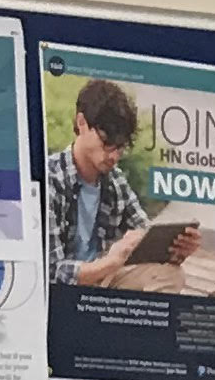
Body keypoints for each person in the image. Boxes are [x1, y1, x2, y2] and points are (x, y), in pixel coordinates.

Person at [44, 77, 154, 288]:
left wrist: (172, 247)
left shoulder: (115, 181)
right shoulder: (51, 177)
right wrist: (110, 262)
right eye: (106, 143)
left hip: (103, 285)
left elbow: (143, 229)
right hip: (62, 296)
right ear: (81, 123)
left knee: (169, 274)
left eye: (120, 147)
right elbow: (51, 272)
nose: (113, 156)